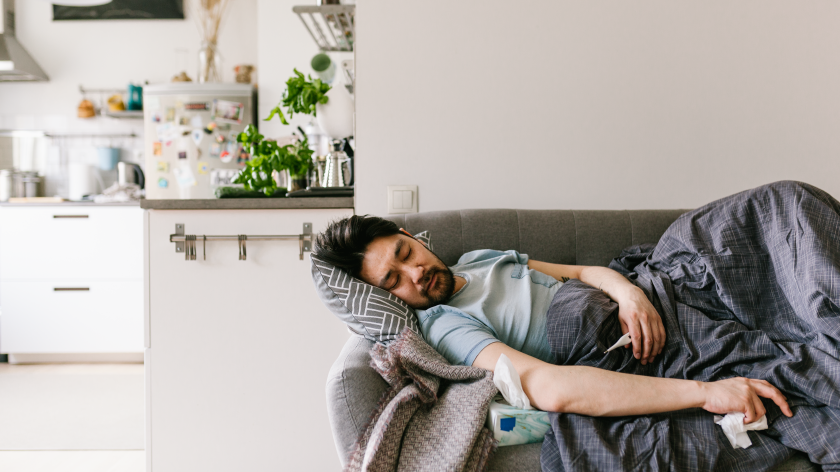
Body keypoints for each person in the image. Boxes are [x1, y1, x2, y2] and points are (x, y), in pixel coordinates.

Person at [313, 214, 793, 425]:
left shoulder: (478, 259)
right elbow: (548, 386)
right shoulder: (443, 326)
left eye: (404, 254)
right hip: (610, 338)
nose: (415, 274)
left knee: (771, 211)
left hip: (651, 293)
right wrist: (705, 392)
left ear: (408, 235)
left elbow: (584, 272)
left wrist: (628, 292)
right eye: (394, 282)